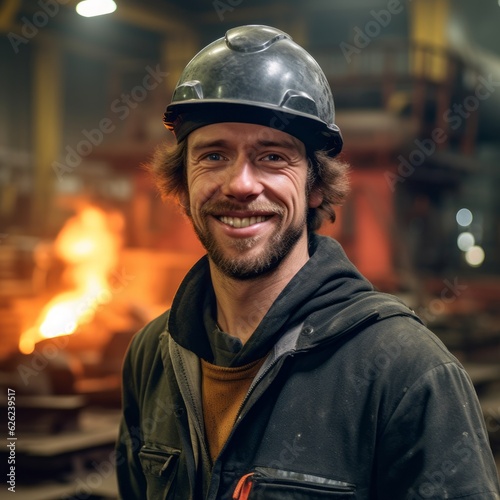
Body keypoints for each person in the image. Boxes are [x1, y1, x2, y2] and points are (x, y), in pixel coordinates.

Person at [116, 25, 500, 499]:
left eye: (272, 157)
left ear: (315, 186)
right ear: (183, 184)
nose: (240, 184)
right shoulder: (153, 354)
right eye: (213, 155)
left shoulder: (408, 373)